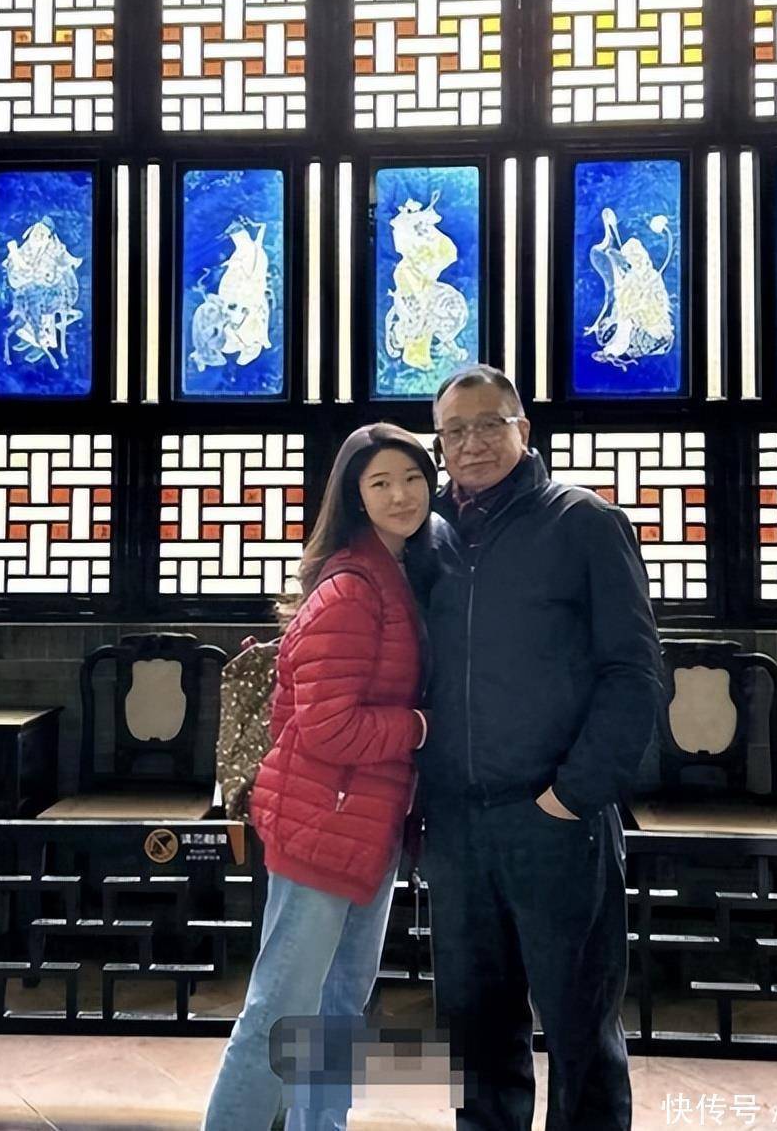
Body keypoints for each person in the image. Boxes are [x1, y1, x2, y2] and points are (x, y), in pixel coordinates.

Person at [418, 365, 663, 1131]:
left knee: (580, 1023)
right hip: (457, 826)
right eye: (455, 430)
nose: (472, 443)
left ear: (523, 429)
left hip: (556, 818)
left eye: (489, 424)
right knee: (475, 1026)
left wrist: (572, 795)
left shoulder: (583, 522)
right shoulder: (428, 535)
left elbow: (634, 673)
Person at [203, 423, 436, 1131]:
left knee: (338, 1006)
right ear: (355, 497)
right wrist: (421, 727)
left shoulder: (401, 573)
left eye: (412, 478)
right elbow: (330, 727)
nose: (401, 495)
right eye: (380, 482)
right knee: (280, 1011)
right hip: (323, 822)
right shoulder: (353, 590)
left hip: (365, 820)